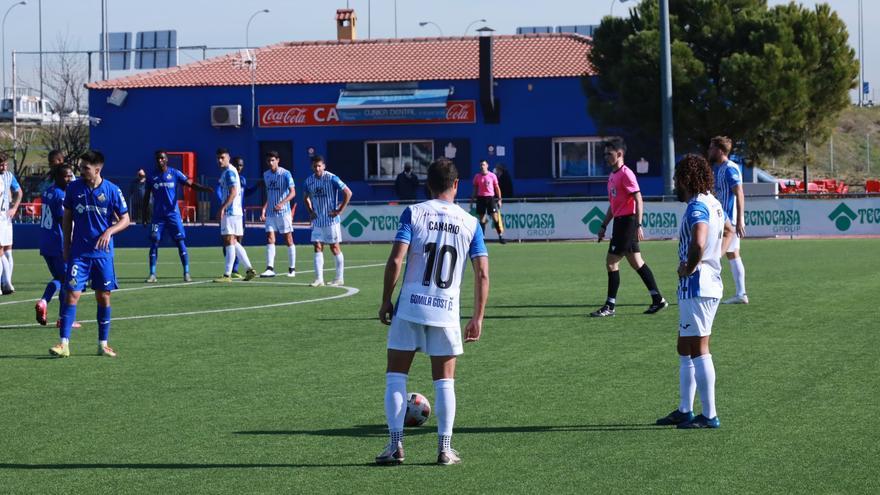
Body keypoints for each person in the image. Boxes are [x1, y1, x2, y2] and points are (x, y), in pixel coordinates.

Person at [376, 157, 489, 466]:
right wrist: (478, 317)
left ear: (428, 184)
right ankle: (444, 449)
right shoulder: (470, 222)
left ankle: (396, 446)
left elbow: (397, 259)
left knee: (396, 377)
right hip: (446, 310)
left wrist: (386, 299)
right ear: (456, 184)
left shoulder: (414, 213)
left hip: (410, 306)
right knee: (445, 382)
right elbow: (482, 273)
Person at [655, 153, 733, 429]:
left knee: (699, 348)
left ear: (686, 179)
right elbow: (729, 231)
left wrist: (690, 266)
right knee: (684, 346)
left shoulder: (697, 207)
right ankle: (685, 409)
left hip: (697, 285)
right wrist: (716, 257)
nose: (675, 183)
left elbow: (699, 241)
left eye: (677, 178)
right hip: (705, 283)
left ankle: (709, 415)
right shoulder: (713, 203)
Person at [49, 150, 131, 358]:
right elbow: (67, 218)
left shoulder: (112, 190)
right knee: (72, 294)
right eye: (81, 167)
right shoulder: (73, 188)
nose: (81, 171)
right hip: (79, 253)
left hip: (102, 255)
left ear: (97, 169)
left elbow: (125, 219)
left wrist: (109, 231)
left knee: (103, 297)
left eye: (85, 168)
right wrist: (66, 246)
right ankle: (63, 344)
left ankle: (103, 344)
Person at [590, 137, 667, 317]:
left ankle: (610, 306)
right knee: (636, 262)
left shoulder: (626, 174)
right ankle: (658, 299)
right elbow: (613, 204)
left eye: (609, 153)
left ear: (619, 154)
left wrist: (638, 224)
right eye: (605, 154)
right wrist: (603, 225)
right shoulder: (612, 176)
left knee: (611, 262)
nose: (606, 157)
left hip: (627, 222)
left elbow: (638, 199)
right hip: (620, 221)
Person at [143, 150, 213, 283]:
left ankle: (186, 272)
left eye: (162, 158)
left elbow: (190, 184)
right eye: (157, 158)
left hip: (173, 215)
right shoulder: (151, 176)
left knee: (180, 241)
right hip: (158, 216)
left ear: (166, 159)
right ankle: (152, 274)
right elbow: (146, 196)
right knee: (154, 241)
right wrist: (145, 215)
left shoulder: (174, 173)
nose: (160, 161)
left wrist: (204, 189)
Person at [35, 164, 81, 329]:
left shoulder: (48, 191)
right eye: (66, 176)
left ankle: (45, 303)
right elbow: (64, 222)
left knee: (60, 279)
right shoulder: (61, 196)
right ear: (58, 177)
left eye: (71, 176)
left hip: (46, 242)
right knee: (67, 281)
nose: (70, 179)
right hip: (58, 243)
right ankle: (61, 317)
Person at [708, 136, 748, 304]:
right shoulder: (718, 168)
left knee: (716, 255)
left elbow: (739, 193)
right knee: (731, 254)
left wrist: (739, 220)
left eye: (711, 148)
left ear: (720, 150)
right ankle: (741, 293)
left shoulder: (730, 169)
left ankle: (716, 291)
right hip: (721, 219)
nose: (709, 151)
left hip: (728, 221)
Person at [303, 155, 352, 287]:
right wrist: (310, 211)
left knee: (334, 247)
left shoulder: (332, 178)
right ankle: (319, 279)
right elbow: (305, 197)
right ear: (311, 167)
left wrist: (339, 210)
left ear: (324, 166)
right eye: (315, 166)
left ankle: (339, 278)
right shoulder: (308, 181)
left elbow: (348, 193)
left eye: (319, 165)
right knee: (317, 246)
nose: (317, 168)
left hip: (331, 220)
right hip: (318, 221)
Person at [214, 148, 256, 283]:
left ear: (228, 157)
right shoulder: (230, 171)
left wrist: (222, 208)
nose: (220, 160)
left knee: (228, 240)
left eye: (222, 157)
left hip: (230, 212)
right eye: (218, 158)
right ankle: (249, 269)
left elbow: (233, 192)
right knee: (234, 241)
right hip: (237, 212)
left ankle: (227, 275)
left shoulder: (229, 172)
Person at [259, 151, 297, 278]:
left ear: (278, 160)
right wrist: (264, 209)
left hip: (284, 213)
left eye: (273, 160)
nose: (270, 163)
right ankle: (270, 268)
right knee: (270, 238)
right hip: (270, 213)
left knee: (288, 239)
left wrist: (282, 203)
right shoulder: (266, 175)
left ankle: (292, 269)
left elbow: (293, 193)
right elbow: (270, 195)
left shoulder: (286, 174)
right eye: (269, 161)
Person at [0, 153, 22, 295]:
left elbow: (19, 191)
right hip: (3, 217)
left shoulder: (8, 176)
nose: (4, 167)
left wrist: (14, 208)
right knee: (4, 251)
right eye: (1, 164)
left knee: (6, 251)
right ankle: (7, 283)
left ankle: (6, 283)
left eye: (5, 164)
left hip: (4, 218)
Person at [469, 160, 506, 244]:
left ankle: (500, 236)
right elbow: (475, 189)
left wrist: (499, 199)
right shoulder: (477, 176)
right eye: (481, 165)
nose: (482, 166)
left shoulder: (492, 176)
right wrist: (472, 200)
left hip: (490, 198)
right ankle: (482, 238)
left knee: (495, 217)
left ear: (487, 166)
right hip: (481, 198)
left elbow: (497, 188)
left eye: (484, 164)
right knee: (482, 219)